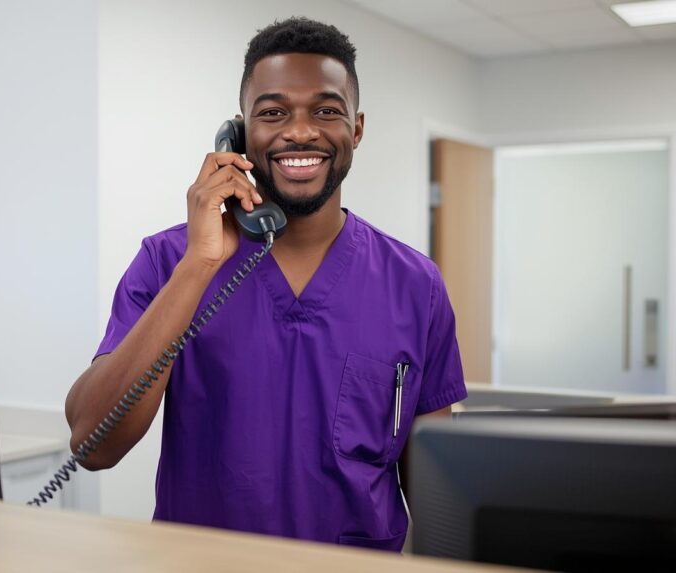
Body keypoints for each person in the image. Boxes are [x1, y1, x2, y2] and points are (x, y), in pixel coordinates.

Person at [65, 17, 466, 552]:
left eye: (326, 111)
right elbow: (93, 443)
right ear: (239, 133)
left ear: (358, 128)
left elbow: (444, 497)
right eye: (273, 113)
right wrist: (199, 265)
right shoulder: (168, 261)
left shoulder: (416, 284)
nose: (300, 131)